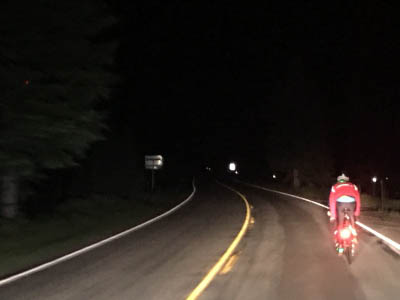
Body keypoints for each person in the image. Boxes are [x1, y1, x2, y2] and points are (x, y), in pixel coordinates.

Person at [329, 173, 360, 245]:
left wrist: (333, 215)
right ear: (347, 180)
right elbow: (358, 199)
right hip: (351, 203)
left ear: (339, 180)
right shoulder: (353, 186)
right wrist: (357, 212)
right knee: (352, 218)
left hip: (340, 203)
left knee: (340, 223)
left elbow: (332, 200)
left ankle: (340, 245)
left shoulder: (335, 186)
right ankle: (353, 231)